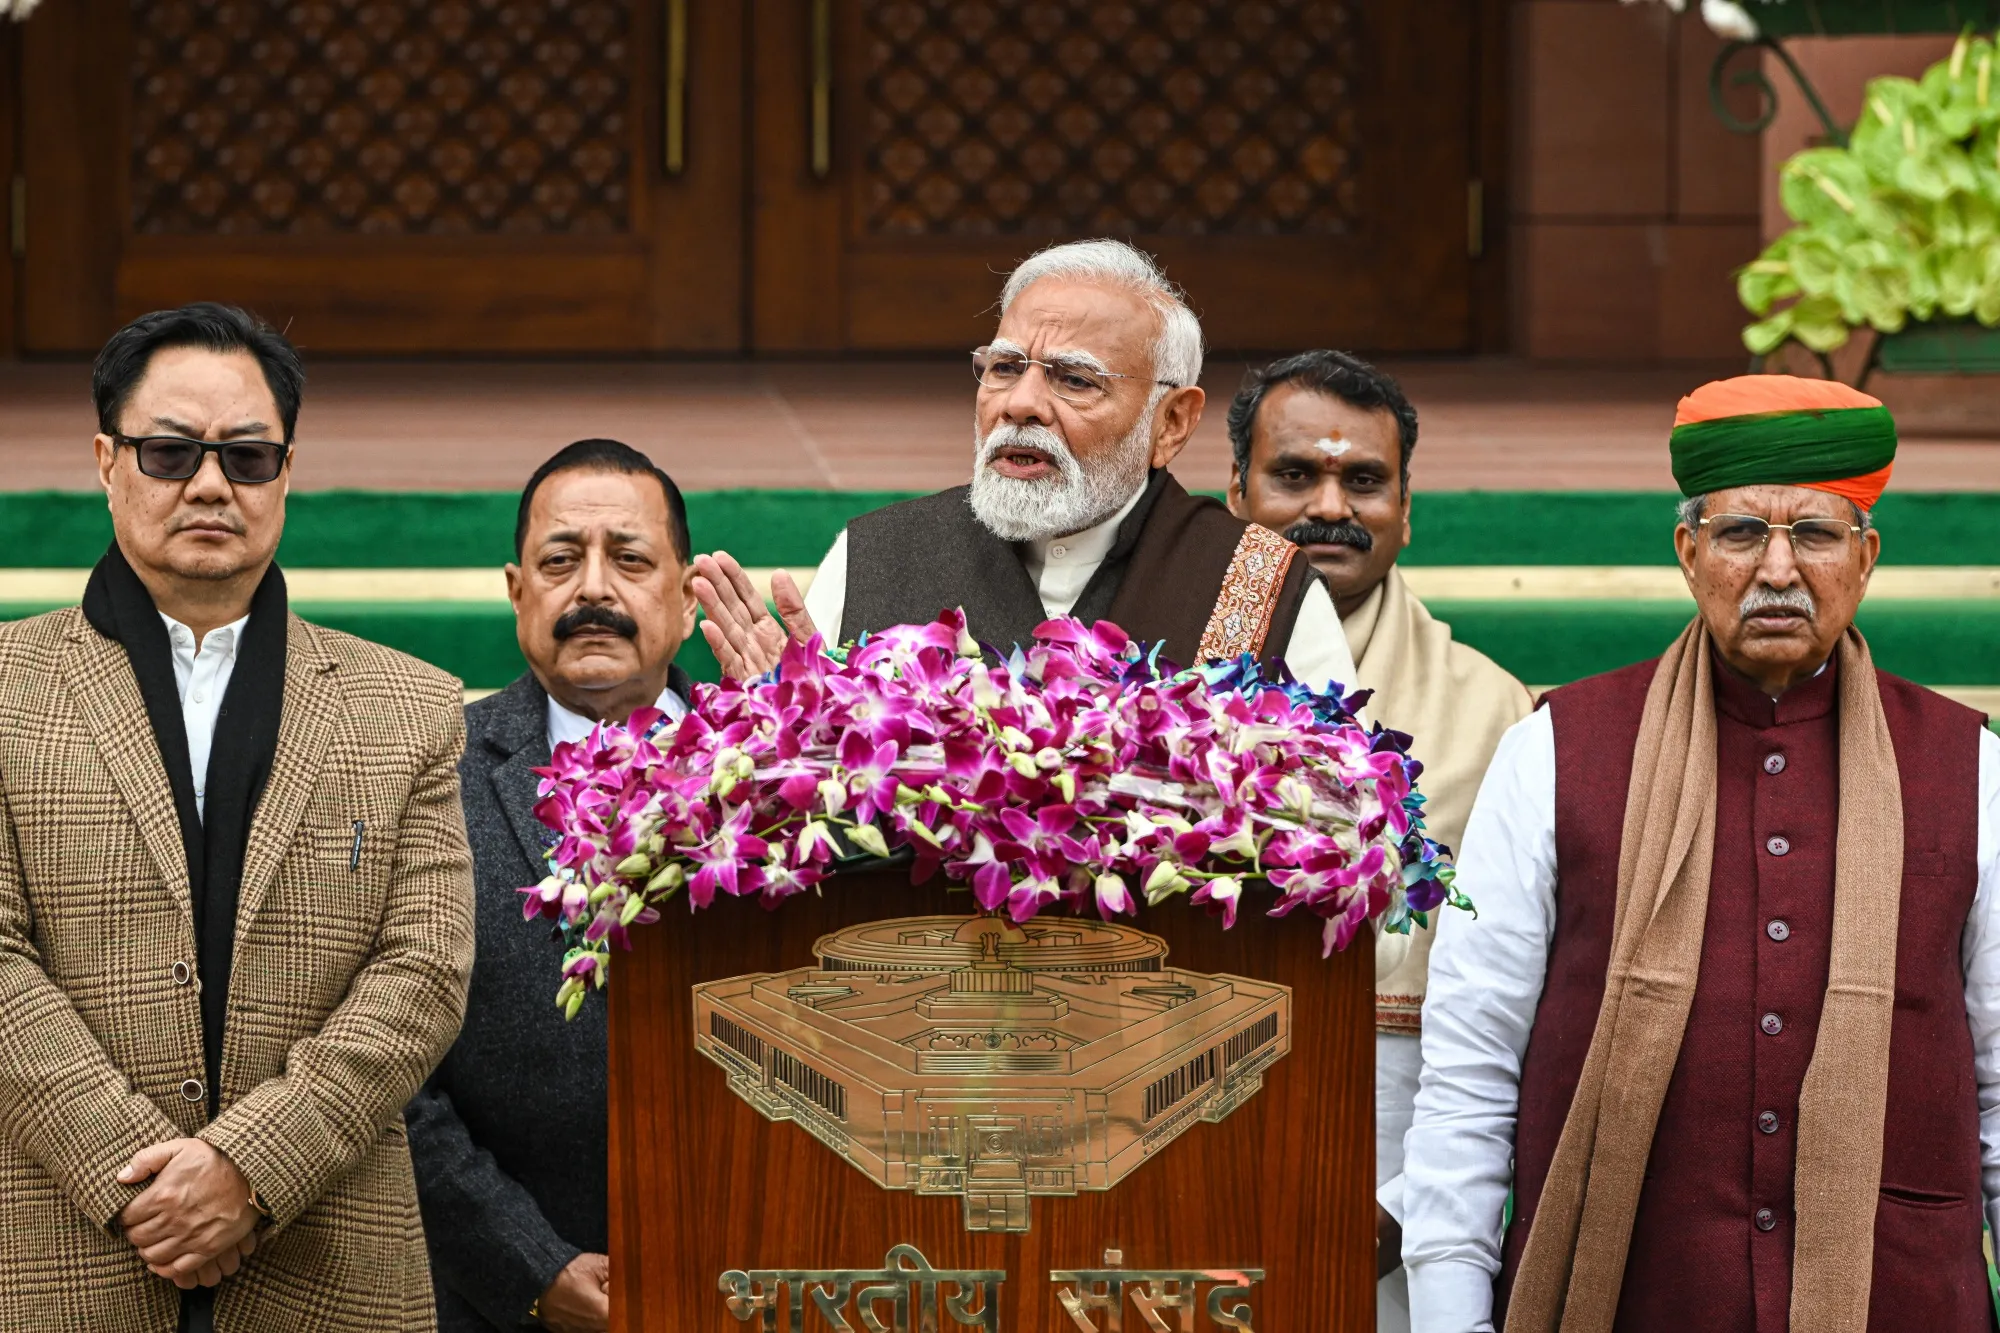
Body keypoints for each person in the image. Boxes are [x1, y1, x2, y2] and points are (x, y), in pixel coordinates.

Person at [1401, 375, 2000, 1331]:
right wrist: (1448, 1311)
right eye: (1738, 534)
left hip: (1900, 1296)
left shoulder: (1966, 764)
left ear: (1866, 557)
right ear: (1688, 553)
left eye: (1813, 533)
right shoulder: (1557, 749)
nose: (1776, 570)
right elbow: (1473, 1063)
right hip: (1636, 1295)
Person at [0, 302, 475, 1330]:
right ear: (105, 459)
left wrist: (251, 1168)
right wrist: (142, 1186)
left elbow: (424, 972)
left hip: (328, 1257)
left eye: (246, 456)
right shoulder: (5, 689)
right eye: (170, 451)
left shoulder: (412, 706)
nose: (210, 484)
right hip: (62, 1257)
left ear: (286, 471)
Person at [688, 238, 1358, 698]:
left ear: (1172, 422)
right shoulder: (878, 553)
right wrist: (787, 729)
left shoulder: (1256, 581)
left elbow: (1337, 825)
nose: (1022, 405)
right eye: (1004, 369)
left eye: (1074, 379)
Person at [1222, 349, 1534, 1324]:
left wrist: (1399, 1207)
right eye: (1293, 476)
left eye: (1363, 481)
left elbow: (1514, 995)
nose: (1330, 506)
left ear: (1405, 508)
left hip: (1395, 1169)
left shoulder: (1489, 713)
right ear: (1233, 494)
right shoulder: (1144, 676)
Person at [407, 440, 698, 1333]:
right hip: (499, 1303)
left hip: (747, 1268)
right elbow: (391, 1066)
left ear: (688, 594)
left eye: (632, 558)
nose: (595, 591)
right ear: (516, 589)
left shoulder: (780, 767)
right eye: (561, 560)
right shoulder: (429, 770)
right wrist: (530, 1266)